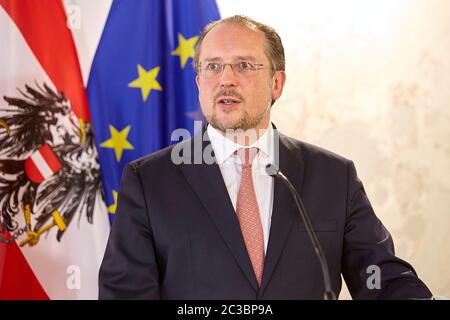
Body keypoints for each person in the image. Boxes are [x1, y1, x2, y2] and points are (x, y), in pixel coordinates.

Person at [98, 15, 432, 300]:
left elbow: (380, 277)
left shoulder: (334, 176)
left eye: (244, 65)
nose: (226, 79)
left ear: (277, 83)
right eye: (213, 66)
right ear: (199, 83)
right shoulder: (149, 181)